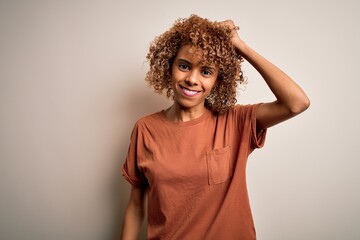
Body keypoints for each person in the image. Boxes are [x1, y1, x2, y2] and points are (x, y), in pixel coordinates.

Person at [121, 15, 310, 240]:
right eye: (184, 66)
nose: (192, 79)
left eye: (206, 71)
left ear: (218, 80)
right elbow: (135, 206)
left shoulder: (235, 121)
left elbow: (297, 103)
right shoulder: (146, 129)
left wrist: (241, 46)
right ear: (169, 67)